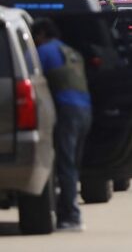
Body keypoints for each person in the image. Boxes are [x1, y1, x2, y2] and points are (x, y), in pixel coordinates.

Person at [31, 18, 92, 232]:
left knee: (65, 166)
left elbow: (31, 80)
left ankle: (71, 217)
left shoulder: (44, 52)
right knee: (71, 165)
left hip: (66, 112)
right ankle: (66, 210)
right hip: (84, 111)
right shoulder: (70, 52)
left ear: (41, 35)